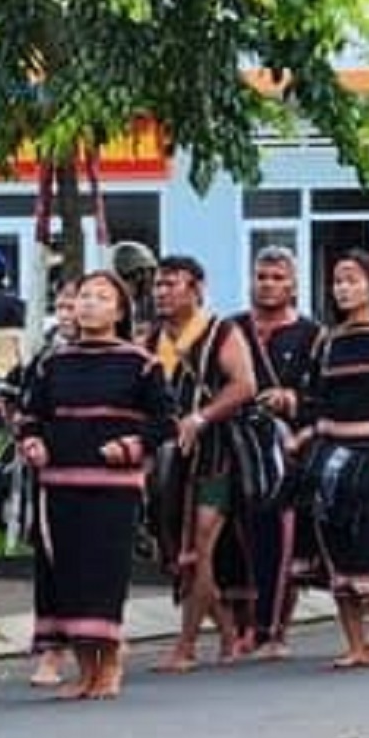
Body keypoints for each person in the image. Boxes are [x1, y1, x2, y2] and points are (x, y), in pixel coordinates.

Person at [11, 270, 176, 700]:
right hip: (60, 482)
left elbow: (165, 420)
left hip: (112, 487)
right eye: (83, 296)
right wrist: (32, 442)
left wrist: (132, 445)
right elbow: (31, 413)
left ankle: (112, 663)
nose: (89, 305)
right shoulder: (52, 362)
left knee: (105, 573)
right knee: (68, 574)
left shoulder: (140, 363)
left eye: (102, 297)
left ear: (120, 310)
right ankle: (84, 671)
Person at [147, 254, 260, 672]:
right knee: (178, 550)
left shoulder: (221, 331)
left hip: (216, 455)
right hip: (169, 459)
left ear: (196, 288)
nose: (161, 292)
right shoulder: (151, 338)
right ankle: (228, 634)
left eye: (171, 284)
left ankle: (187, 645)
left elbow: (246, 384)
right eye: (158, 285)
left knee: (201, 545)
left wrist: (202, 416)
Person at [301, 252, 369, 669]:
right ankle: (353, 642)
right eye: (337, 280)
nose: (343, 288)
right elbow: (312, 398)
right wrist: (308, 435)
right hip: (331, 452)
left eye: (352, 280)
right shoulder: (327, 341)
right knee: (335, 543)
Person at [231, 246, 321, 659]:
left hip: (287, 451)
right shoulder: (232, 330)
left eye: (277, 278)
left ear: (293, 284)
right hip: (235, 446)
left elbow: (325, 395)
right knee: (235, 542)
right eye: (261, 276)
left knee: (279, 542)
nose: (268, 285)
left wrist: (292, 401)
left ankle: (273, 630)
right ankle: (240, 628)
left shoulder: (311, 335)